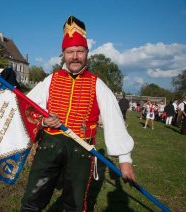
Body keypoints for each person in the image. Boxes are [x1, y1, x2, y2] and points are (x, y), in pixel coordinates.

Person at [21, 16, 136, 211]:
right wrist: (44, 120)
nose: (75, 56)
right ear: (63, 54)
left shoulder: (97, 84)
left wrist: (125, 160)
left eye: (79, 51)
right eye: (70, 52)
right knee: (33, 199)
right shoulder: (50, 80)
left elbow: (114, 120)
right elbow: (27, 106)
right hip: (50, 145)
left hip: (81, 150)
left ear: (87, 53)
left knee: (74, 204)